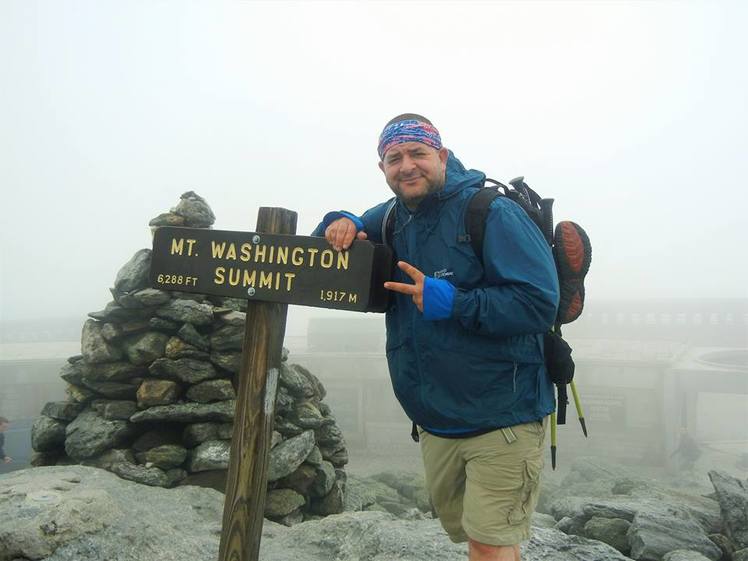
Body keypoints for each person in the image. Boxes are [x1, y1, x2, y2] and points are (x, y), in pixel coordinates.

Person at [313, 114, 559, 561]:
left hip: (504, 412)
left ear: (442, 156)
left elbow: (539, 303)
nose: (407, 165)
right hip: (436, 419)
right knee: (473, 536)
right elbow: (324, 251)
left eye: (418, 153)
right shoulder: (391, 216)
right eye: (394, 158)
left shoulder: (490, 212)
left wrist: (454, 301)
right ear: (383, 168)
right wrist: (340, 221)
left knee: (490, 543)